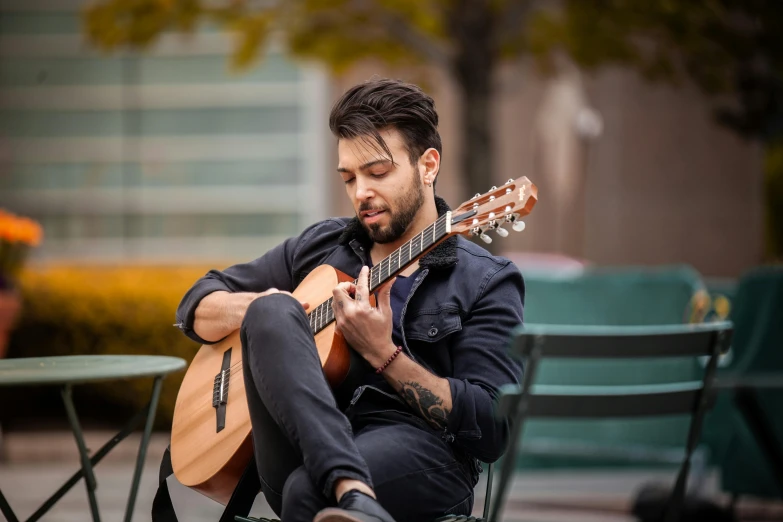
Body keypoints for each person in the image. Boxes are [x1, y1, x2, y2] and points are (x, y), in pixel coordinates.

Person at [175, 78, 525, 522]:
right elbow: (196, 302)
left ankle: (346, 487)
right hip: (297, 442)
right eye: (349, 178)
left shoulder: (484, 279)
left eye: (377, 173)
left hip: (420, 455)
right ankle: (350, 487)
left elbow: (491, 426)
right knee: (270, 309)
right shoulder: (322, 246)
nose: (361, 192)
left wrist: (383, 353)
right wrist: (266, 313)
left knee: (309, 491)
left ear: (428, 165)